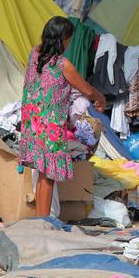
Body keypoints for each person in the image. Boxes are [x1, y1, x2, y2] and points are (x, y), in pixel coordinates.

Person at [19, 16, 106, 217]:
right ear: (63, 39)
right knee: (48, 176)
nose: (69, 43)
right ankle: (43, 223)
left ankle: (41, 220)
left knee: (42, 172)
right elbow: (86, 89)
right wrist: (100, 98)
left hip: (32, 122)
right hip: (50, 126)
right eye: (69, 39)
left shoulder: (35, 53)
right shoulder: (63, 64)